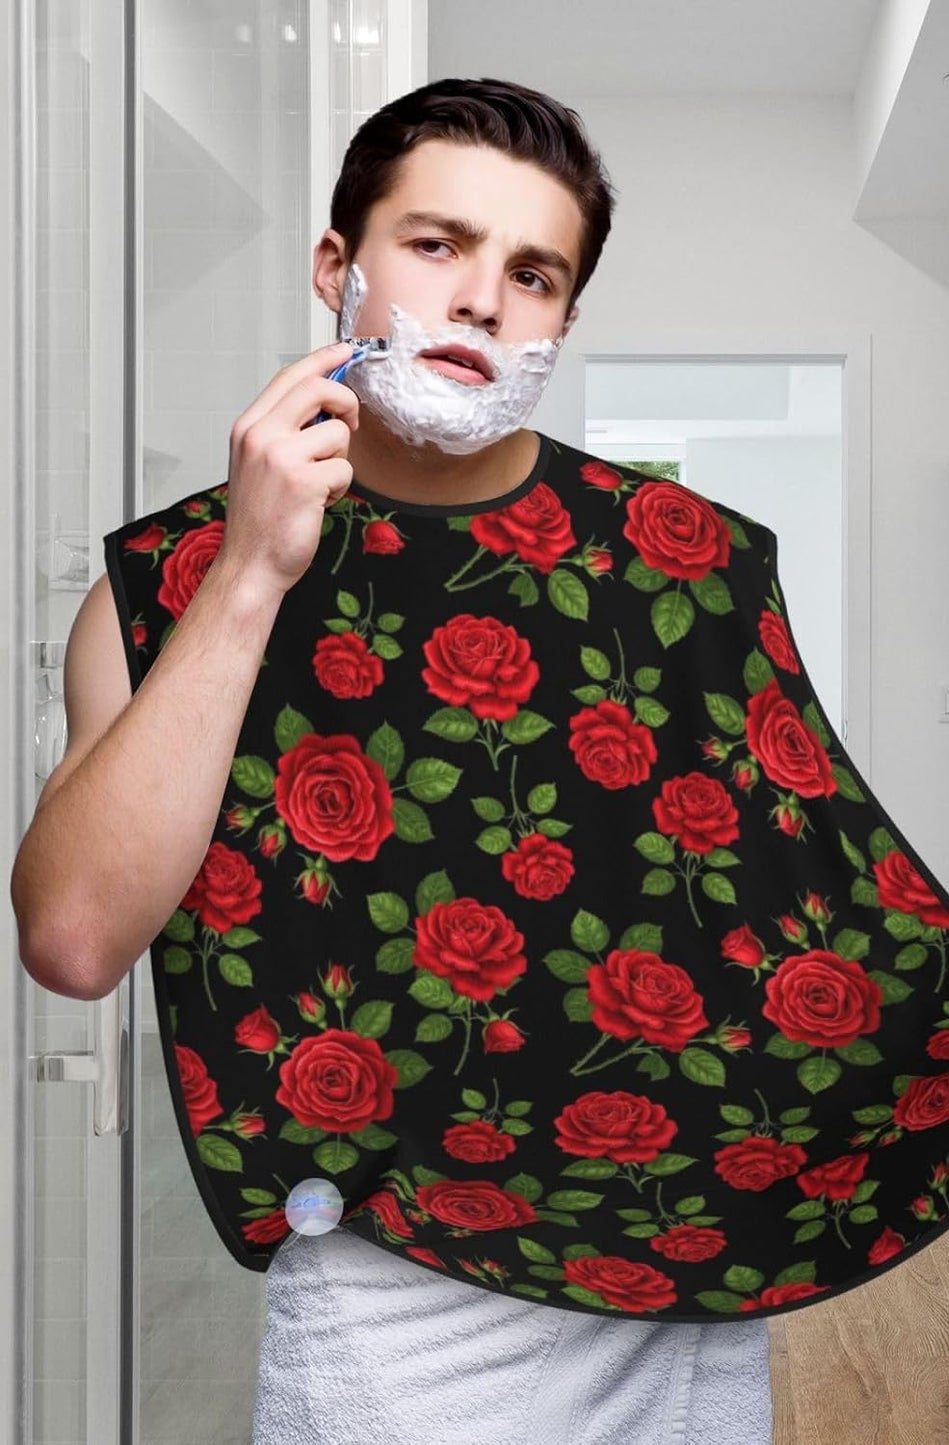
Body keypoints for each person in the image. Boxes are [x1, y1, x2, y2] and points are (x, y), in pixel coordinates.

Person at [12, 76, 775, 1443]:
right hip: (386, 1292)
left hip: (674, 1262)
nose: (484, 298)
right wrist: (250, 573)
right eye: (437, 245)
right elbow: (72, 938)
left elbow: (772, 924)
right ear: (337, 270)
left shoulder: (688, 565)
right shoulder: (166, 578)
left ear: (563, 318)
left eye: (531, 272)